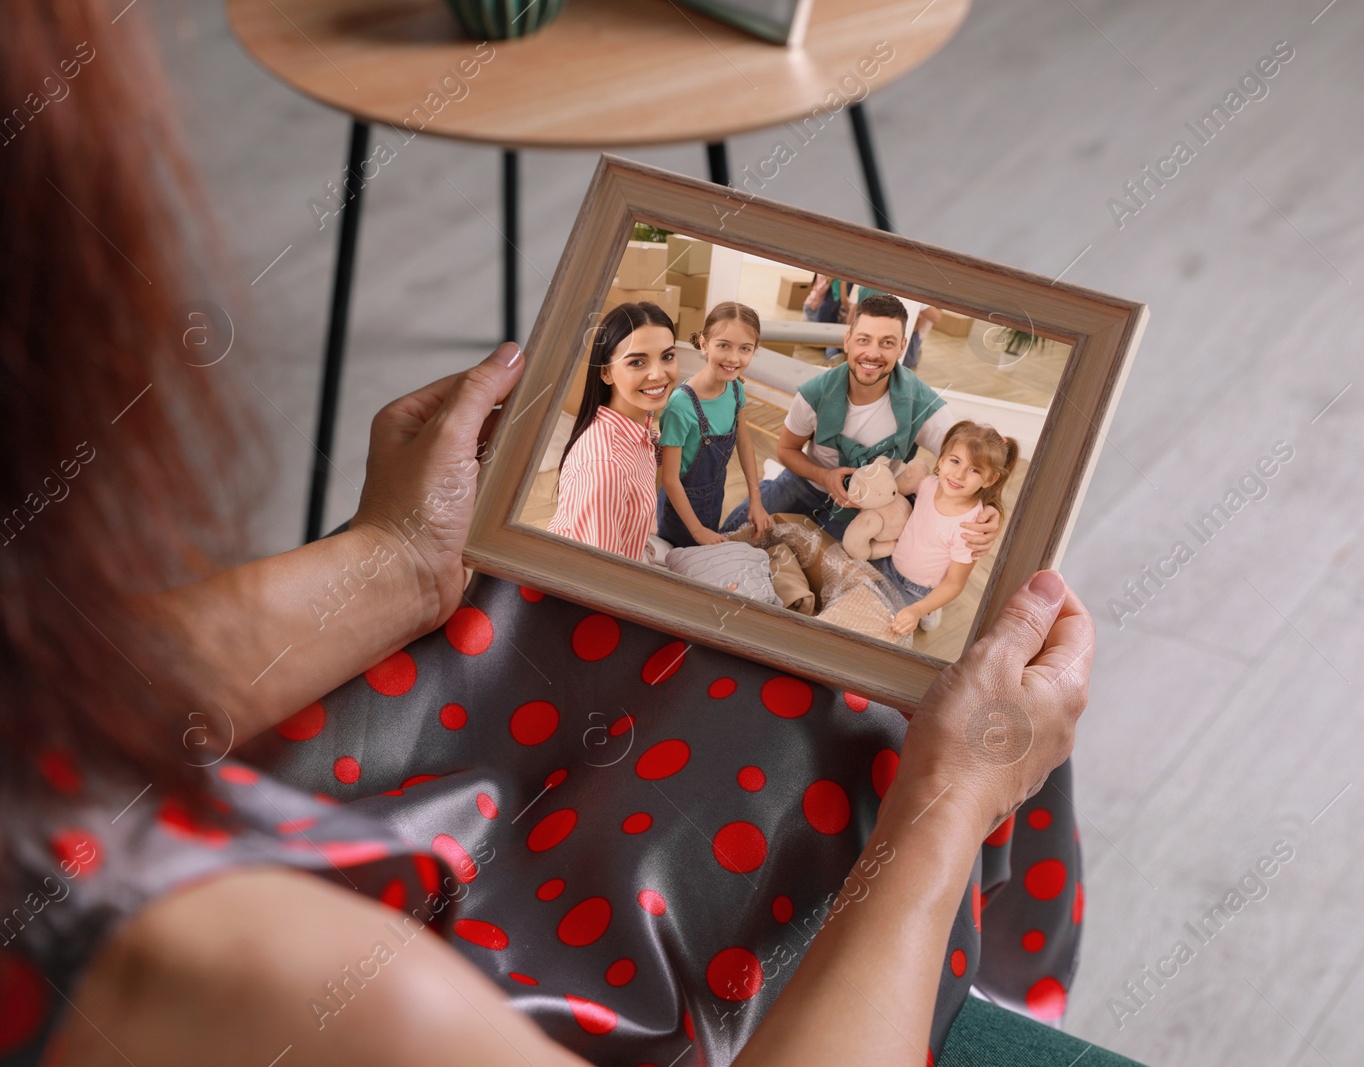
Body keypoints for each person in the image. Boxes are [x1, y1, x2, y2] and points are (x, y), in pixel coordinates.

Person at [0, 4, 1131, 1065]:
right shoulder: (281, 986)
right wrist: (945, 805)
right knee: (842, 714)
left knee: (613, 622)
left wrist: (390, 559)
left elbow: (57, 719)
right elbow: (745, 476)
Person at [721, 294, 1000, 553]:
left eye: (887, 343)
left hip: (865, 505)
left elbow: (976, 461)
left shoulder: (923, 405)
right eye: (864, 340)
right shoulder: (813, 393)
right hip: (806, 482)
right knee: (735, 532)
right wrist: (824, 477)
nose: (873, 353)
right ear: (847, 340)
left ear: (902, 347)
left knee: (832, 567)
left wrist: (992, 508)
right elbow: (787, 450)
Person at [547, 302, 677, 561]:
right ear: (606, 372)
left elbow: (647, 453)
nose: (658, 374)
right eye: (637, 362)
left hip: (635, 551)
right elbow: (599, 578)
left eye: (667, 356)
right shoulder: (604, 467)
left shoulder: (639, 422)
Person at [884, 422, 1020, 636]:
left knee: (889, 627)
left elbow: (955, 583)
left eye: (974, 470)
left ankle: (930, 607)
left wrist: (917, 609)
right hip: (889, 564)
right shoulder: (927, 484)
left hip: (919, 590)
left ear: (990, 480)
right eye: (955, 461)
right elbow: (891, 494)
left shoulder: (971, 528)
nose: (959, 474)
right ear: (941, 459)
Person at [656, 302, 773, 548]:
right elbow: (669, 479)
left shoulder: (736, 388)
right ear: (703, 344)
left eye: (745, 349)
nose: (733, 357)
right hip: (680, 512)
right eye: (723, 345)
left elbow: (744, 443)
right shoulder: (680, 406)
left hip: (714, 497)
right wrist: (697, 530)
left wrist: (755, 499)